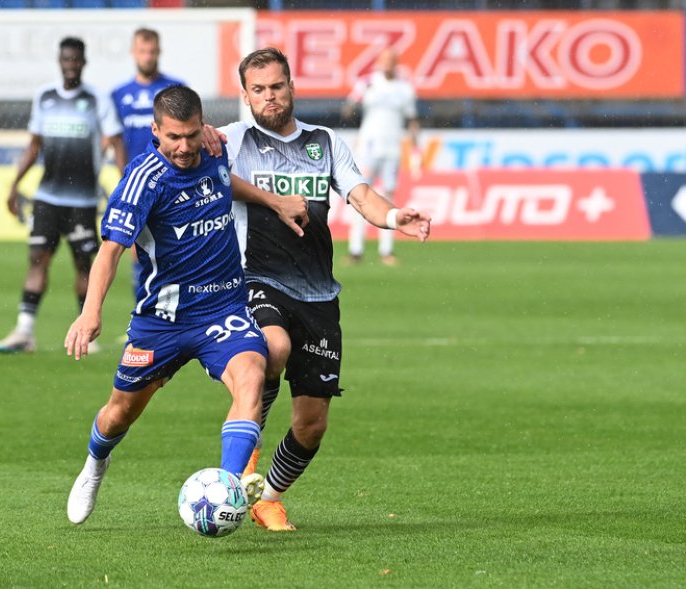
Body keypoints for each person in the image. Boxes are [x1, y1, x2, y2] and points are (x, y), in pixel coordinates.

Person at [64, 85, 310, 525]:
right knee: (120, 412)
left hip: (224, 308)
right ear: (155, 131)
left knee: (253, 373)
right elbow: (110, 251)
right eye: (173, 137)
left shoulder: (213, 149)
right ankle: (94, 464)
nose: (183, 147)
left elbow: (220, 183)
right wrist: (90, 310)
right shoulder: (143, 181)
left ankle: (229, 490)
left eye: (192, 135)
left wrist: (272, 201)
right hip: (163, 321)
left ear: (202, 127)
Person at [219, 47, 431, 532]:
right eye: (258, 90)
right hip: (256, 277)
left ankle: (267, 497)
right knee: (272, 347)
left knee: (312, 424)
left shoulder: (325, 141)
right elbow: (206, 174)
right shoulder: (232, 140)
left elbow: (361, 197)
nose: (269, 97)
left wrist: (397, 217)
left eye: (276, 86)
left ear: (291, 86)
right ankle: (244, 455)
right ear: (246, 96)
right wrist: (272, 201)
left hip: (317, 293)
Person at [0, 37, 128, 354]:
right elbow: (34, 144)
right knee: (37, 259)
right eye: (66, 59)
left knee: (84, 264)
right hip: (47, 197)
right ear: (60, 61)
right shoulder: (45, 96)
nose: (71, 65)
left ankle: (86, 330)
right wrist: (15, 184)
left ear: (83, 62)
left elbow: (116, 142)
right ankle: (25, 331)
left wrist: (124, 187)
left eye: (76, 60)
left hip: (82, 200)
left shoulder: (97, 99)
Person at [110, 28, 184, 291]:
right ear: (133, 52)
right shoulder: (119, 95)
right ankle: (143, 311)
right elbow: (115, 140)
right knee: (136, 247)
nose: (148, 56)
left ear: (159, 52)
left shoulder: (175, 89)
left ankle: (176, 313)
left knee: (175, 245)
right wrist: (124, 177)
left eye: (152, 51)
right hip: (137, 181)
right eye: (143, 51)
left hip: (173, 180)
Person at [342, 47, 421, 267]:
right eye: (384, 60)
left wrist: (416, 150)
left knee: (388, 197)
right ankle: (355, 249)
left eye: (391, 60)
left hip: (392, 150)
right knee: (360, 196)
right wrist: (353, 102)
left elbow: (412, 120)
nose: (387, 64)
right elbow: (347, 111)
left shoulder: (405, 89)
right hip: (368, 148)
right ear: (378, 62)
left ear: (396, 63)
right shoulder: (367, 83)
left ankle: (386, 249)